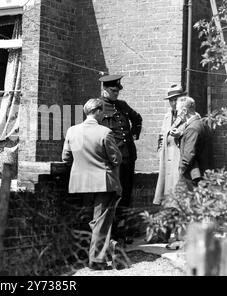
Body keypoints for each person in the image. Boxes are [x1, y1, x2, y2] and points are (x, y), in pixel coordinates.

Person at [62, 98, 123, 270]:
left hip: (80, 183)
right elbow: (116, 158)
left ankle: (105, 247)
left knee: (93, 221)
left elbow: (66, 158)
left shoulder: (72, 131)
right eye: (102, 111)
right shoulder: (105, 132)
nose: (104, 114)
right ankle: (97, 259)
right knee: (101, 221)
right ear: (96, 111)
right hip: (103, 182)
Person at [97, 75, 142, 244]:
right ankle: (112, 235)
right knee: (112, 196)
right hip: (111, 160)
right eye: (113, 91)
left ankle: (122, 233)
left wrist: (134, 134)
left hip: (128, 157)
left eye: (117, 91)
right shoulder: (98, 107)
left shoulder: (122, 106)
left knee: (126, 196)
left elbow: (137, 118)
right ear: (105, 90)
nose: (116, 93)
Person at [153, 84, 187, 205]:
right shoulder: (167, 116)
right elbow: (161, 136)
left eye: (176, 99)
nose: (173, 103)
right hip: (166, 157)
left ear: (183, 99)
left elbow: (193, 135)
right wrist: (159, 152)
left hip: (179, 157)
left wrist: (181, 133)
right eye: (171, 100)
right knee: (166, 191)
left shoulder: (189, 116)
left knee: (178, 192)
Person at [174, 96, 213, 190]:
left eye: (178, 111)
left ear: (184, 111)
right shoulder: (203, 124)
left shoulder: (192, 129)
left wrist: (181, 170)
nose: (177, 114)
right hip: (204, 173)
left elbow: (188, 155)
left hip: (193, 176)